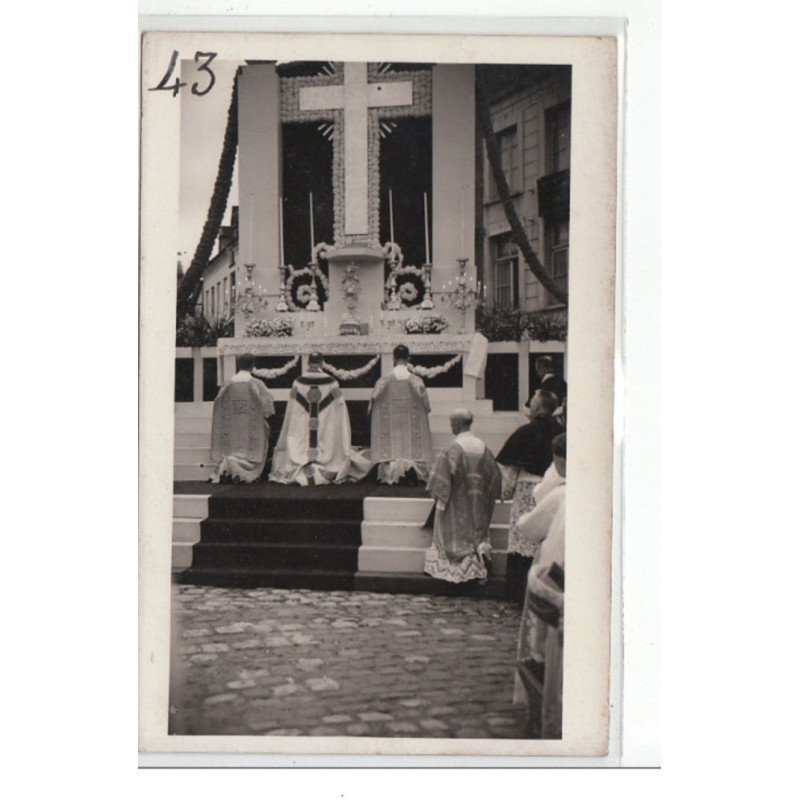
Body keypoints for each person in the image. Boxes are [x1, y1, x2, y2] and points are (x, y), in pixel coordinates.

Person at [512, 433, 566, 736]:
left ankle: (548, 710)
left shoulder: (560, 494)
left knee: (547, 647)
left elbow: (530, 527)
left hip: (556, 574)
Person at [495, 389, 562, 605]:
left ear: (537, 407)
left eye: (532, 402)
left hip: (526, 489)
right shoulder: (561, 432)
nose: (529, 405)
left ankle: (517, 593)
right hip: (555, 488)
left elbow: (510, 466)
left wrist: (506, 490)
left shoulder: (524, 432)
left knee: (522, 535)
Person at [269, 351, 371, 486]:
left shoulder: (298, 382)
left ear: (308, 362)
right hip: (324, 429)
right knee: (328, 434)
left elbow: (292, 409)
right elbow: (340, 407)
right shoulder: (331, 382)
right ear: (322, 363)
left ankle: (302, 460)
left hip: (304, 428)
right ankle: (324, 466)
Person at [424, 409, 502, 583]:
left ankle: (456, 565)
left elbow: (439, 480)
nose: (451, 427)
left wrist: (439, 496)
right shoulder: (484, 448)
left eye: (452, 424)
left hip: (455, 503)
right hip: (479, 503)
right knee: (477, 532)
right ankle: (478, 559)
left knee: (449, 532)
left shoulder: (452, 448)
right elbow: (495, 477)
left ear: (458, 425)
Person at [369, 344, 433, 485]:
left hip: (391, 422)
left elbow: (373, 401)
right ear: (408, 358)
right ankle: (412, 472)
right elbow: (426, 405)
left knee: (393, 446)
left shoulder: (383, 382)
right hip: (411, 422)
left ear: (393, 358)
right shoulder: (416, 381)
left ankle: (391, 472)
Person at [209, 352, 275, 484]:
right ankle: (246, 471)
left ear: (238, 365)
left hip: (232, 430)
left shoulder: (227, 384)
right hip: (251, 431)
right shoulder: (257, 384)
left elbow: (218, 405)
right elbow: (268, 408)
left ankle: (229, 464)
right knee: (264, 429)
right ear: (253, 365)